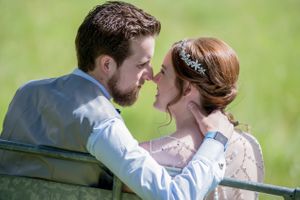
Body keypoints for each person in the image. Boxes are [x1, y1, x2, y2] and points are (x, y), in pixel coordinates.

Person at [0, 1, 232, 199]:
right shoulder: (101, 123)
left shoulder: (27, 92)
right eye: (142, 64)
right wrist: (216, 140)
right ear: (107, 64)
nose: (150, 75)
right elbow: (173, 196)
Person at [136, 37, 264, 199]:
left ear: (188, 88)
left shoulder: (149, 155)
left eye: (163, 71)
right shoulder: (248, 146)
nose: (155, 78)